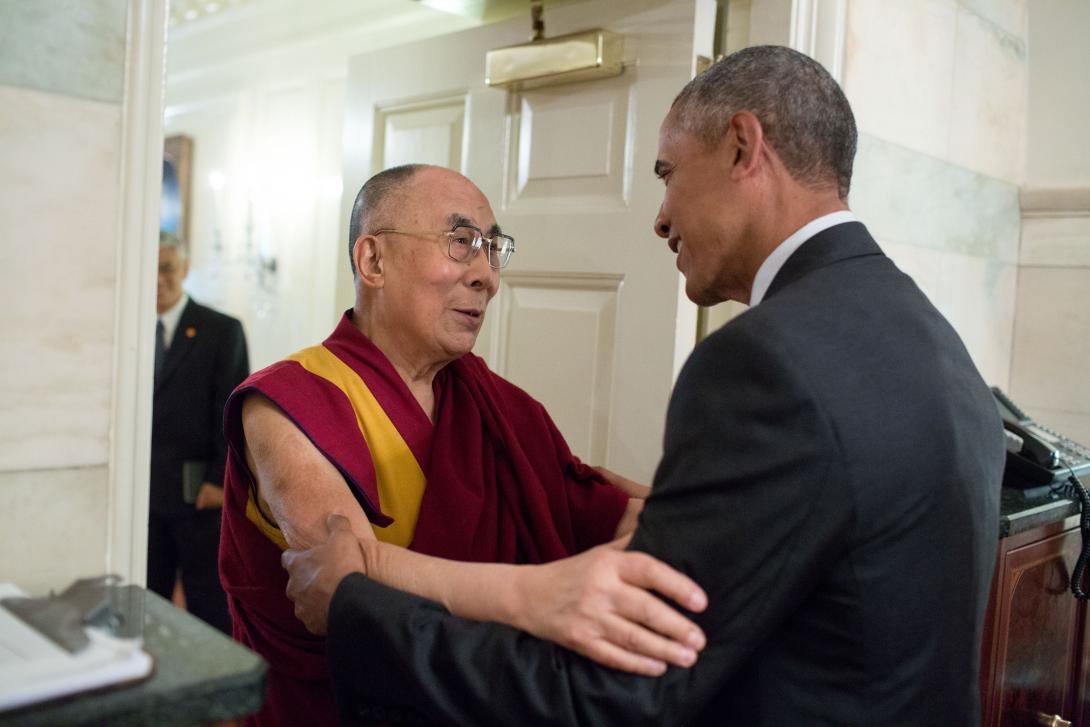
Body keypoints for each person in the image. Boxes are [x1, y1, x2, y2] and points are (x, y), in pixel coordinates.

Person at [283, 45, 1005, 726]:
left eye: (667, 174)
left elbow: (619, 690)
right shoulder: (933, 338)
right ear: (370, 259)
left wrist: (360, 603)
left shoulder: (764, 362)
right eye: (459, 242)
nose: (660, 217)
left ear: (741, 147)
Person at [218, 164, 706, 727]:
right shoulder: (286, 404)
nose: (487, 277)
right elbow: (346, 587)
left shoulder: (502, 409)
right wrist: (545, 594)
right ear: (372, 260)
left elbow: (599, 510)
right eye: (461, 243)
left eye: (493, 249)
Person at [148, 232, 248, 634]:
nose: (157, 279)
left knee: (207, 605)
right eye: (150, 268)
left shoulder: (221, 330)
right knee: (147, 603)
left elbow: (233, 411)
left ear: (184, 269)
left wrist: (218, 479)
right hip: (143, 499)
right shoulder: (127, 331)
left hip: (199, 498)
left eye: (166, 268)